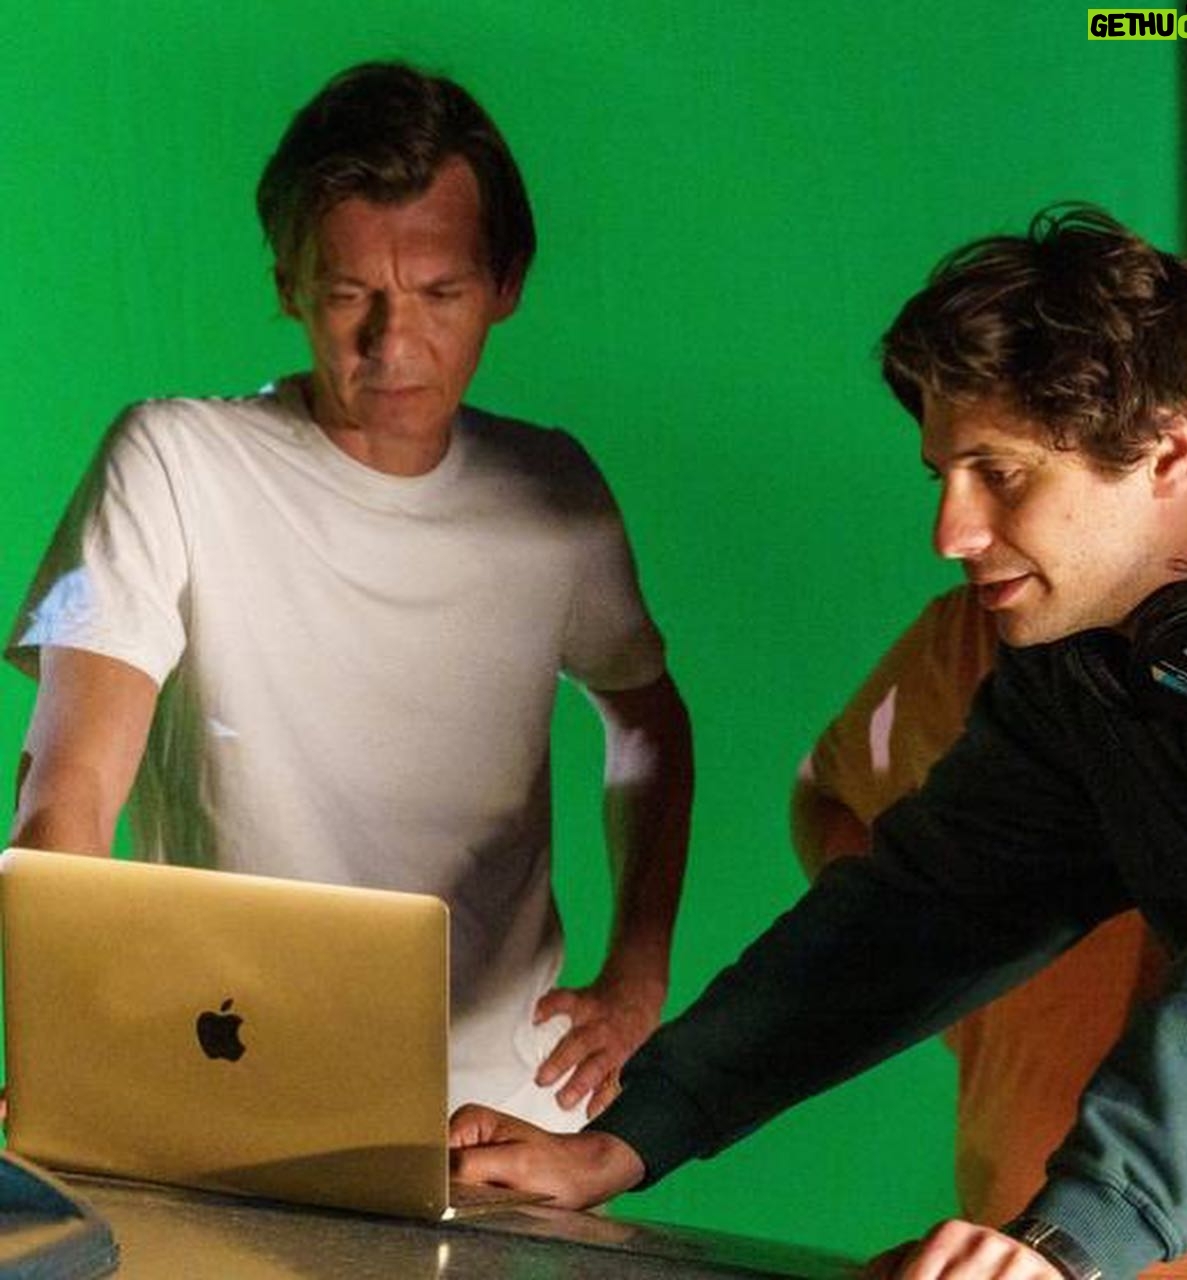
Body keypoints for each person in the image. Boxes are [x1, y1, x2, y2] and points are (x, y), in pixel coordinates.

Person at [450, 206, 1187, 1279]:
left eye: (1001, 473)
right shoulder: (1080, 670)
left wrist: (1070, 1238)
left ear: (1168, 451)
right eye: (943, 475)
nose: (951, 532)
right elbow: (923, 909)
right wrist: (626, 1137)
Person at [6, 62, 693, 1132]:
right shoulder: (176, 459)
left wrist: (638, 972)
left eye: (439, 293)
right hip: (223, 1076)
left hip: (502, 1112)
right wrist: (71, 1035)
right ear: (289, 284)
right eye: (348, 294)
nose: (392, 344)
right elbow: (69, 792)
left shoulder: (556, 492)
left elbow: (647, 719)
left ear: (505, 284)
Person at [793, 583, 1187, 1276]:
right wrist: (960, 978)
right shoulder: (981, 632)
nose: (956, 536)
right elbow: (829, 795)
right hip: (1019, 1235)